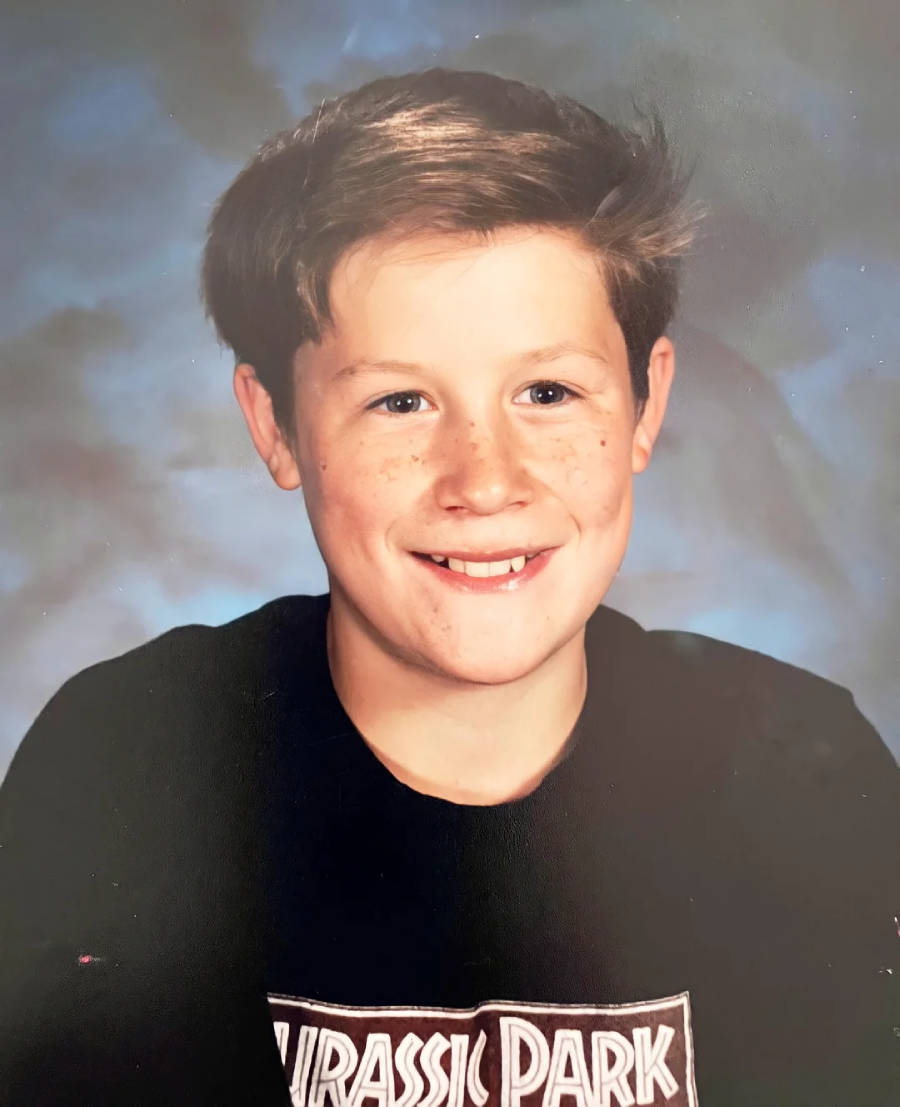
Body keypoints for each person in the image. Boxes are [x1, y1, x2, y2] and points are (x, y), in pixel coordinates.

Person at [1, 67, 898, 1107]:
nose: (485, 479)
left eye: (549, 392)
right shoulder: (125, 763)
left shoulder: (803, 776)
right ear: (275, 427)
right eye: (400, 402)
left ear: (646, 408)